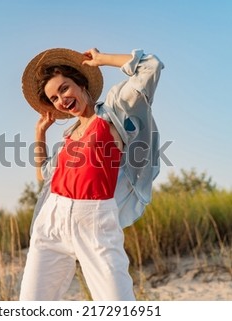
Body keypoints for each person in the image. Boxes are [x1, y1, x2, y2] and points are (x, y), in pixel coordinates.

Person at [19, 47, 164, 301]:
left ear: (80, 82)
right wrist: (40, 134)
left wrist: (102, 60)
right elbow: (43, 175)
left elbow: (150, 66)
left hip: (95, 220)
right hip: (51, 223)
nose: (61, 100)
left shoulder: (113, 112)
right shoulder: (68, 138)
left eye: (64, 88)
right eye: (53, 98)